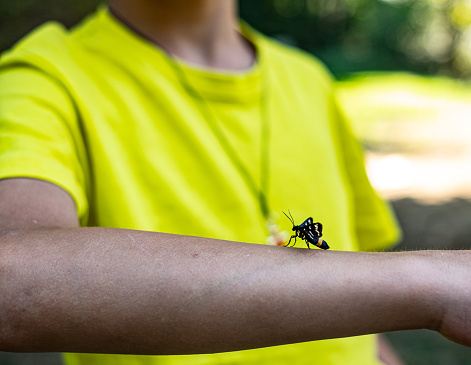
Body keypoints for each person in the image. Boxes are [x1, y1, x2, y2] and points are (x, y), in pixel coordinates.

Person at [0, 1, 470, 365]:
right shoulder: (42, 78)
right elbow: (12, 274)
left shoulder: (308, 80)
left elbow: (358, 295)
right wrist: (425, 279)